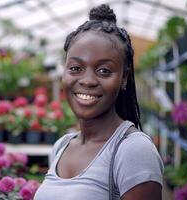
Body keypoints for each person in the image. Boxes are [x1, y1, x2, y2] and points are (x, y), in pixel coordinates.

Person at [34, 4, 163, 200]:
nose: (87, 80)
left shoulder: (133, 150)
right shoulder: (62, 146)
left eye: (104, 71)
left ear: (124, 78)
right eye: (76, 68)